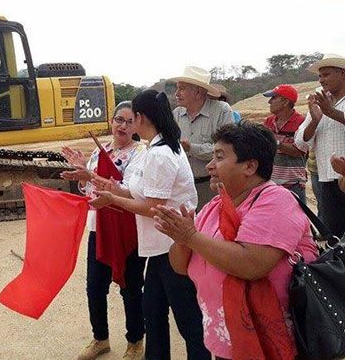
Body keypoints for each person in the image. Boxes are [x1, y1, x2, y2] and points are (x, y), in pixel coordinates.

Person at [152, 122, 318, 359]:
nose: (210, 166)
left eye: (219, 157)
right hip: (227, 338)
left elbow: (252, 264)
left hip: (272, 339)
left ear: (250, 166)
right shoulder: (214, 206)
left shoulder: (276, 201)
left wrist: (190, 236)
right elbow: (180, 266)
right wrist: (182, 239)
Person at [90, 90, 210, 360]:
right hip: (158, 247)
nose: (129, 124)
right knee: (153, 312)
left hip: (171, 246)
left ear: (141, 118)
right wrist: (113, 189)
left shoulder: (159, 154)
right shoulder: (156, 149)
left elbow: (153, 207)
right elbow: (139, 192)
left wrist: (113, 199)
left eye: (132, 118)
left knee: (186, 317)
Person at [61, 101, 146, 360]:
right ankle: (101, 338)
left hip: (126, 229)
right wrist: (83, 174)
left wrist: (89, 176)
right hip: (98, 227)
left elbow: (129, 189)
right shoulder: (101, 151)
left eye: (129, 121)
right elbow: (89, 191)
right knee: (94, 287)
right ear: (111, 121)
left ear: (137, 126)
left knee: (130, 287)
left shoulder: (140, 153)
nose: (122, 125)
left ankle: (135, 342)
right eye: (118, 119)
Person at [295, 53, 345, 237]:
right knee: (334, 238)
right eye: (320, 76)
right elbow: (300, 141)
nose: (321, 80)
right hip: (326, 182)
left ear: (342, 74)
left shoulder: (327, 105)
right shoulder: (319, 102)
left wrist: (331, 113)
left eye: (326, 74)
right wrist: (315, 120)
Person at [171, 67, 235, 211]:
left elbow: (227, 151)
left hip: (211, 186)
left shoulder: (221, 111)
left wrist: (191, 148)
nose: (177, 93)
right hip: (182, 187)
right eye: (177, 88)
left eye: (182, 89)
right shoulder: (176, 114)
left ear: (198, 92)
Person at [262, 84, 308, 203]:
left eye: (274, 98)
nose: (269, 102)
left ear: (285, 102)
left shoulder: (301, 122)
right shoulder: (269, 121)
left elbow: (298, 151)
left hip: (293, 183)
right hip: (271, 182)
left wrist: (273, 142)